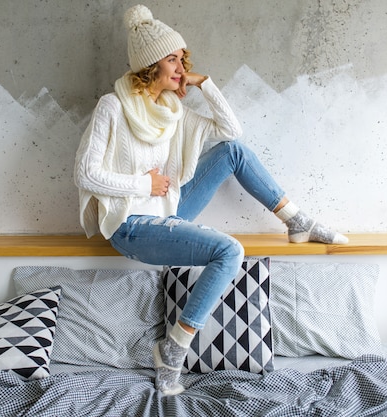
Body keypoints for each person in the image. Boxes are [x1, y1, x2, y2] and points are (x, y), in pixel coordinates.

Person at [74, 4, 348, 396]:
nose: (181, 66)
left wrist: (206, 85)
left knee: (233, 151)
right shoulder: (113, 106)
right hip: (130, 225)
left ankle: (296, 220)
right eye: (173, 58)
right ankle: (172, 350)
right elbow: (85, 173)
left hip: (168, 207)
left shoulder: (171, 110)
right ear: (151, 64)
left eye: (183, 58)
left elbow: (230, 130)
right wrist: (142, 185)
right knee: (229, 252)